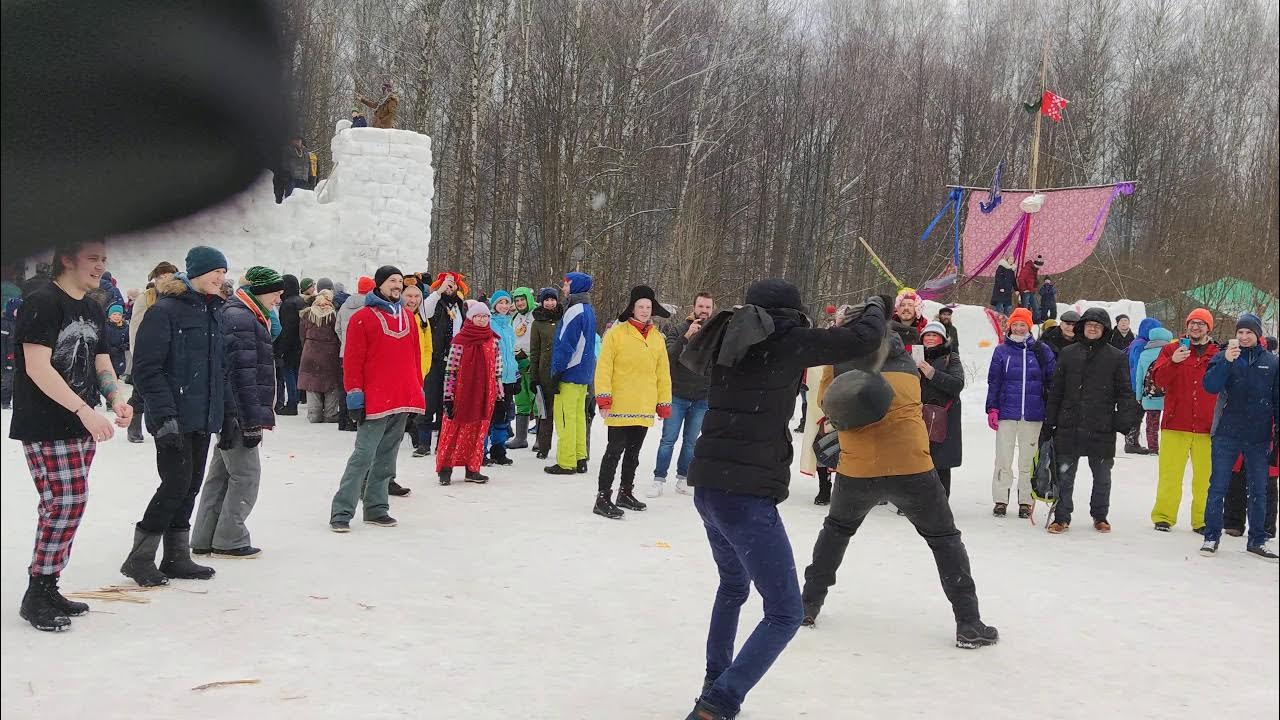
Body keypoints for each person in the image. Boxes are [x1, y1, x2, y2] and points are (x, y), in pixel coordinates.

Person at [680, 282, 890, 720]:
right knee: (785, 612)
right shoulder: (787, 339)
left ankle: (714, 681)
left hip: (710, 487)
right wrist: (874, 305)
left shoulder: (730, 335)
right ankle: (718, 703)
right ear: (791, 313)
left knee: (733, 587)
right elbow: (865, 338)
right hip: (745, 497)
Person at [801, 305, 998, 649]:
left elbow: (827, 405)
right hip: (911, 466)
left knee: (836, 532)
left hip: (858, 467)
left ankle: (807, 604)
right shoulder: (908, 363)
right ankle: (969, 622)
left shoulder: (841, 364)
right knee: (944, 540)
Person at [11, 239, 133, 631]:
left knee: (70, 505)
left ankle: (48, 585)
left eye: (104, 259)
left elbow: (101, 359)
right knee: (63, 502)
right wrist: (82, 409)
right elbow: (37, 366)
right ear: (66, 259)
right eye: (92, 258)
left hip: (80, 421)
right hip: (46, 420)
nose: (100, 266)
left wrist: (114, 397)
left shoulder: (93, 306)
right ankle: (37, 591)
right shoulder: (42, 301)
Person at [122, 246, 235, 586]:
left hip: (202, 416)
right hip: (173, 415)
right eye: (215, 271)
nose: (220, 278)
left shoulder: (215, 312)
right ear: (196, 273)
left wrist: (227, 416)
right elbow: (146, 369)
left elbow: (220, 371)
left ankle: (176, 556)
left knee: (191, 486)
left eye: (223, 272)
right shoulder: (165, 311)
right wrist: (164, 415)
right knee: (175, 485)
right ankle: (140, 558)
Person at [191, 267, 283, 558]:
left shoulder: (247, 314)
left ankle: (206, 536)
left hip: (232, 411)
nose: (279, 299)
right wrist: (245, 420)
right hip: (239, 413)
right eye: (276, 293)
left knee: (221, 475)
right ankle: (230, 538)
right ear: (261, 291)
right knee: (246, 476)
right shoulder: (241, 317)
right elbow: (239, 374)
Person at [329, 266, 424, 532]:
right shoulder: (363, 317)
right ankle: (342, 511)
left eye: (399, 282)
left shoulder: (408, 316)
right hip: (374, 398)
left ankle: (376, 508)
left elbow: (415, 358)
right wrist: (354, 394)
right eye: (391, 281)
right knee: (363, 456)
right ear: (379, 285)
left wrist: (417, 388)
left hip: (402, 397)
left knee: (387, 457)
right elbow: (352, 359)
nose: (397, 286)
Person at [1042, 308, 1141, 533]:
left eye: (1097, 325)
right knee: (1065, 475)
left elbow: (1125, 393)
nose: (1093, 328)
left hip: (1101, 426)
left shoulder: (1116, 356)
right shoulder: (1068, 353)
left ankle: (1100, 515)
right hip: (1069, 424)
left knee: (1102, 477)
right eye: (1089, 325)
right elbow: (1056, 390)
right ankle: (1062, 517)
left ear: (1104, 329)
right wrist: (1050, 422)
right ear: (1082, 327)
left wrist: (1123, 421)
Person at [1199, 313, 1279, 560]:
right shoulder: (1224, 356)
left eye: (1249, 333)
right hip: (1227, 432)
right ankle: (1211, 536)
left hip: (1259, 435)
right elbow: (1210, 386)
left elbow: (1277, 399)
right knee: (1218, 487)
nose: (1244, 337)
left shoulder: (1272, 363)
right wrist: (1224, 361)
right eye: (1240, 332)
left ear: (1258, 335)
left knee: (1259, 489)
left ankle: (1257, 540)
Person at [592, 286, 672, 518]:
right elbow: (604, 368)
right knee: (614, 451)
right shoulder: (617, 334)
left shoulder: (657, 338)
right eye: (641, 307)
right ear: (632, 308)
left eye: (648, 307)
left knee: (634, 453)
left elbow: (663, 372)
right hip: (620, 403)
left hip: (644, 404)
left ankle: (625, 492)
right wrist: (604, 399)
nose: (645, 311)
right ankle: (603, 497)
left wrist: (663, 401)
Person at [1150, 308, 1219, 533]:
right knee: (1170, 474)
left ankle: (1202, 520)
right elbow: (1158, 380)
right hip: (1175, 422)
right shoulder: (1172, 349)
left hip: (1207, 427)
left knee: (1205, 478)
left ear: (1209, 328)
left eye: (1201, 323)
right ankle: (1164, 516)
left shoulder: (1217, 353)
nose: (1195, 327)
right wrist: (1174, 361)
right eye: (1192, 323)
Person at [985, 307, 1055, 518]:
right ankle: (1000, 499)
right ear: (1010, 326)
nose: (1018, 328)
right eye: (1015, 324)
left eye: (1022, 324)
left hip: (1033, 414)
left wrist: (1050, 409)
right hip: (1007, 411)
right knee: (1003, 458)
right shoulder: (1001, 351)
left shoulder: (1042, 351)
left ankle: (1026, 499)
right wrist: (992, 408)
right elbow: (994, 381)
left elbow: (1052, 381)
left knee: (1028, 459)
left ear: (1029, 326)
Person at [649, 292, 714, 498]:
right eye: (701, 306)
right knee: (668, 439)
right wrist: (686, 337)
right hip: (677, 395)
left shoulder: (716, 333)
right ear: (693, 307)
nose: (704, 311)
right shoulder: (678, 329)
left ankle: (683, 478)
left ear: (712, 310)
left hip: (702, 397)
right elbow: (667, 357)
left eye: (707, 307)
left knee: (691, 442)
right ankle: (658, 479)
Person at [436, 301, 502, 485]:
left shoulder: (493, 340)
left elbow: (497, 369)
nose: (482, 320)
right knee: (453, 430)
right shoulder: (460, 341)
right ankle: (445, 468)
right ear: (471, 318)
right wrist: (448, 397)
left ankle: (473, 468)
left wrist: (499, 393)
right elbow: (450, 371)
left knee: (478, 431)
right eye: (478, 316)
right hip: (461, 393)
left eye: (485, 317)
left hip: (485, 393)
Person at [545, 272, 597, 476]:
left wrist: (557, 370)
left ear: (575, 287)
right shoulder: (588, 309)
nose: (563, 288)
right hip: (583, 374)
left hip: (570, 372)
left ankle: (566, 462)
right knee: (577, 417)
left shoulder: (574, 310)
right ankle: (579, 456)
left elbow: (566, 344)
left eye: (567, 284)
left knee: (565, 418)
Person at [126, 261, 179, 442]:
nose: (165, 279)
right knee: (140, 391)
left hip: (171, 353)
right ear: (155, 279)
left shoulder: (179, 296)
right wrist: (137, 355)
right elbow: (135, 328)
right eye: (161, 276)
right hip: (148, 354)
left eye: (169, 275)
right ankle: (134, 425)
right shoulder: (146, 298)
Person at [421, 272, 468, 450]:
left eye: (453, 284)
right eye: (447, 284)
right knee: (429, 401)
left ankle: (443, 441)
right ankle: (424, 442)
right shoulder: (435, 303)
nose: (450, 287)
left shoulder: (460, 306)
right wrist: (438, 292)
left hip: (454, 360)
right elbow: (424, 310)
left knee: (446, 402)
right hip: (435, 358)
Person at [918, 321, 964, 496]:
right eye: (927, 335)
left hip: (943, 416)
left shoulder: (951, 357)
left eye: (934, 335)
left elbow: (957, 384)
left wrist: (932, 374)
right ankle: (919, 499)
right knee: (918, 458)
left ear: (942, 338)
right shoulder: (914, 357)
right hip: (918, 414)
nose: (930, 338)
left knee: (940, 461)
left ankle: (941, 499)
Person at [298, 289, 343, 423]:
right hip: (330, 352)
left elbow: (302, 334)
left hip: (310, 351)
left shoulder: (307, 314)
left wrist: (307, 346)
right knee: (331, 384)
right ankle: (330, 414)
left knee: (311, 383)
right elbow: (338, 334)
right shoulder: (333, 315)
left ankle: (314, 414)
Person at [486, 291, 519, 466]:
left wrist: (516, 375)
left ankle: (498, 450)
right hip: (494, 377)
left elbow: (511, 353)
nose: (504, 306)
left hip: (508, 378)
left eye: (507, 303)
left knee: (503, 415)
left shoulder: (509, 325)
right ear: (494, 305)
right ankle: (481, 451)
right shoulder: (489, 324)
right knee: (488, 414)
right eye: (501, 303)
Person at [335, 275, 373, 431]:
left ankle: (342, 420)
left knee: (346, 385)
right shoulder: (369, 307)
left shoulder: (345, 305)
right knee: (359, 386)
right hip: (361, 352)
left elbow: (337, 328)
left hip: (344, 352)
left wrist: (345, 341)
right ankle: (355, 420)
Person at [401, 283, 434, 456]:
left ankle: (415, 434)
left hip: (419, 373)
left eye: (416, 297)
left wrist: (424, 368)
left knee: (416, 407)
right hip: (399, 373)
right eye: (409, 296)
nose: (412, 300)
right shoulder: (397, 316)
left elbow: (428, 347)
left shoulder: (422, 319)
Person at [527, 287, 561, 459]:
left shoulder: (564, 318)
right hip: (545, 371)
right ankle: (543, 445)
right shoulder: (537, 323)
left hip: (562, 371)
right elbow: (534, 351)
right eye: (546, 300)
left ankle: (566, 447)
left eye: (552, 299)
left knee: (562, 411)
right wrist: (534, 376)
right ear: (542, 302)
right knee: (545, 411)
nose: (550, 303)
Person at [1124, 317, 1164, 453]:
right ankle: (1131, 442)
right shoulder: (1142, 345)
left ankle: (1132, 441)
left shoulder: (1139, 342)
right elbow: (1137, 367)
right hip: (1136, 385)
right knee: (1136, 414)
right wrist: (1137, 389)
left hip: (1135, 383)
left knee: (1137, 413)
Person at [1132, 326, 1173, 454]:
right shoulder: (1172, 353)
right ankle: (1170, 448)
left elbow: (1139, 377)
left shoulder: (1144, 354)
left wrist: (1139, 396)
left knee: (1151, 424)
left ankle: (1153, 448)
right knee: (1170, 424)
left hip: (1150, 395)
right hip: (1170, 396)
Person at [507, 287, 537, 450]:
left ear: (528, 299)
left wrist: (533, 359)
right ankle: (520, 437)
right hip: (518, 362)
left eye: (522, 299)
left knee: (538, 401)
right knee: (521, 399)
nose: (519, 303)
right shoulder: (515, 317)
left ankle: (541, 439)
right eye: (517, 301)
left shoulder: (537, 315)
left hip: (533, 362)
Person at [272, 274, 305, 415]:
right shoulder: (300, 301)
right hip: (300, 343)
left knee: (288, 372)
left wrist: (281, 349)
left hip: (290, 344)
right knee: (296, 372)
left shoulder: (288, 304)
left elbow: (286, 328)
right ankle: (295, 399)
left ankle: (292, 403)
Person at [276, 135, 311, 203]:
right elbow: (284, 163)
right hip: (292, 179)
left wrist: (310, 176)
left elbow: (309, 164)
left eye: (299, 139)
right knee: (290, 199)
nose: (297, 141)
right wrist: (286, 174)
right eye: (295, 139)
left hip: (304, 179)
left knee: (303, 200)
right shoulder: (288, 150)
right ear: (292, 141)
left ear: (301, 141)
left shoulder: (306, 151)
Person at [1015, 254, 1044, 319]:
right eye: (1039, 265)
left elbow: (1033, 280)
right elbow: (1021, 278)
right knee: (1024, 308)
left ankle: (1036, 320)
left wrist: (1035, 285)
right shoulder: (1027, 268)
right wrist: (1024, 289)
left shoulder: (1035, 270)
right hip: (1026, 292)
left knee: (1036, 307)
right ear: (1035, 264)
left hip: (1031, 291)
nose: (1039, 267)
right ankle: (1023, 320)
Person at [104, 303, 129, 377]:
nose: (117, 317)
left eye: (119, 315)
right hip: (108, 356)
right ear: (109, 316)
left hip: (120, 356)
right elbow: (103, 342)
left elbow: (129, 340)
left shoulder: (125, 328)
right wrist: (110, 349)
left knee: (117, 374)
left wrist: (125, 345)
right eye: (114, 314)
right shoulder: (105, 327)